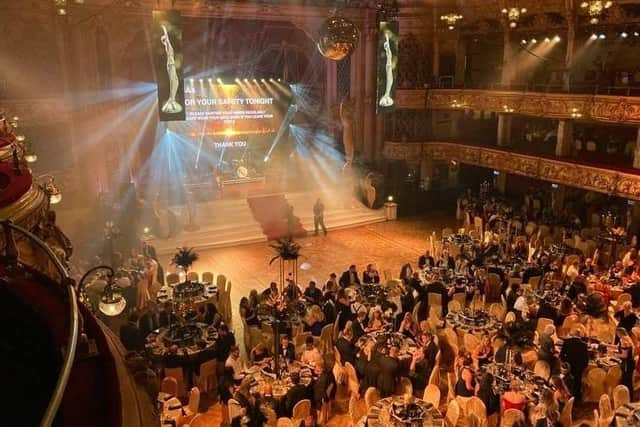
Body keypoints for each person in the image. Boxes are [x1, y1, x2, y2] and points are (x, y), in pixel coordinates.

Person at [560, 327, 589, 400]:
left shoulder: (566, 342)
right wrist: (583, 367)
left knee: (566, 381)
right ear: (580, 335)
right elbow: (586, 358)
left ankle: (565, 395)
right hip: (578, 366)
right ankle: (576, 398)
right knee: (577, 382)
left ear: (572, 334)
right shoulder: (584, 345)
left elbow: (562, 355)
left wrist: (565, 363)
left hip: (568, 365)